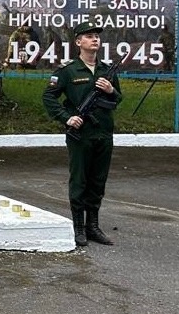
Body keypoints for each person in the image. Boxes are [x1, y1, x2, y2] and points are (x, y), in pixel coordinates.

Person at [42, 22, 123, 248]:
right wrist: (66, 117)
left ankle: (93, 226)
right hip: (81, 136)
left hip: (103, 134)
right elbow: (49, 96)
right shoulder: (67, 71)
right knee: (79, 182)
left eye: (97, 36)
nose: (95, 39)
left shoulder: (106, 70)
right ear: (78, 42)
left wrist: (110, 90)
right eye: (89, 36)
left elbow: (117, 100)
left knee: (98, 182)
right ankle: (78, 228)